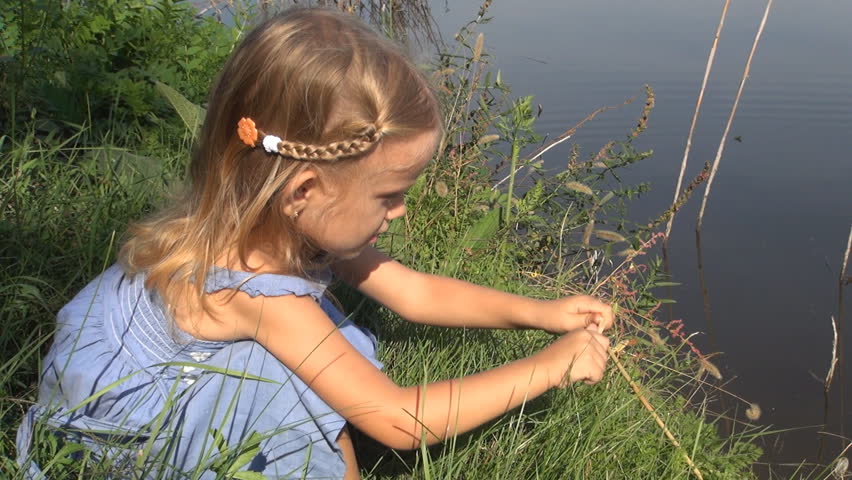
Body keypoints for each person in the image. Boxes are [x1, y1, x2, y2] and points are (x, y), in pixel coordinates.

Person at [16, 8, 612, 479]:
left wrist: (538, 313)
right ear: (304, 189)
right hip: (142, 432)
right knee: (301, 398)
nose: (400, 211)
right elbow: (400, 421)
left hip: (143, 363)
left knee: (302, 374)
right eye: (389, 195)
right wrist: (549, 367)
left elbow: (412, 291)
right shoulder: (256, 290)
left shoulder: (270, 222)